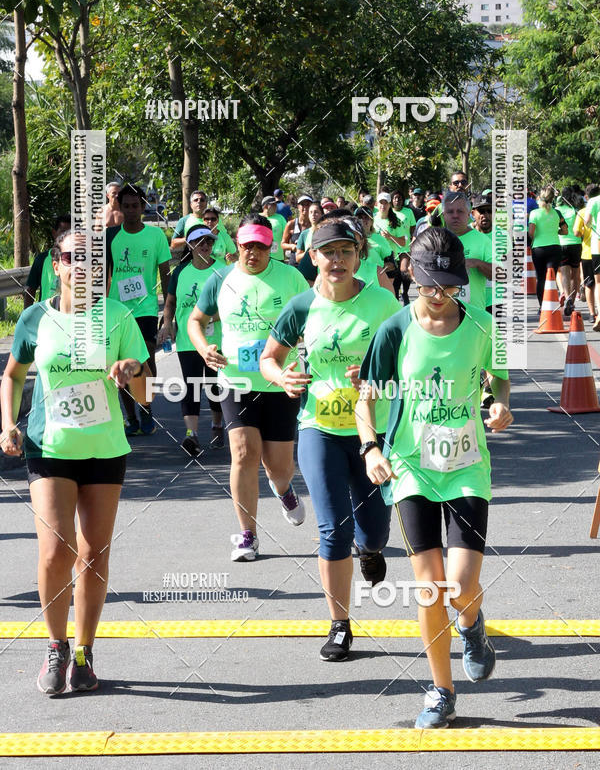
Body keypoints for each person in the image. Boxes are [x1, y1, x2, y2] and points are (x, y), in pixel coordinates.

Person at [356, 226, 512, 728]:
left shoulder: (484, 326)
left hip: (467, 467)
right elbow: (367, 400)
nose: (440, 296)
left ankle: (472, 624)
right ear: (412, 277)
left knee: (462, 585)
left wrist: (502, 404)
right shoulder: (394, 331)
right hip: (411, 468)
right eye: (429, 286)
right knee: (429, 587)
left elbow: (500, 376)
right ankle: (440, 690)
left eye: (449, 286)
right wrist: (371, 447)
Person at [0, 229, 149, 695]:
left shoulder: (118, 317)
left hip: (105, 450)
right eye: (71, 258)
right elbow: (13, 374)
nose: (81, 266)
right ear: (57, 266)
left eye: (91, 259)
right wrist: (8, 423)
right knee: (54, 550)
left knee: (93, 553)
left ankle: (83, 652)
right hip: (49, 447)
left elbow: (143, 394)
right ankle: (55, 645)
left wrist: (132, 372)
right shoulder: (34, 318)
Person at [260, 216, 399, 660]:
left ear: (359, 255)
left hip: (372, 430)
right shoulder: (302, 306)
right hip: (318, 427)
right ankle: (340, 624)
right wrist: (282, 377)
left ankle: (370, 548)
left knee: (375, 529)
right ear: (312, 256)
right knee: (331, 528)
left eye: (345, 251)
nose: (337, 260)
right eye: (327, 252)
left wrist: (380, 376)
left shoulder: (383, 302)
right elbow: (269, 357)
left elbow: (408, 355)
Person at [187, 213, 309, 561]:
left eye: (260, 246)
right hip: (235, 381)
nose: (252, 253)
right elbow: (195, 319)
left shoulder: (291, 278)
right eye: (246, 246)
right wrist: (203, 348)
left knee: (279, 468)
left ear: (270, 246)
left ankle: (284, 490)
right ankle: (247, 535)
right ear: (236, 246)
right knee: (242, 453)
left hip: (281, 382)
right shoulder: (220, 280)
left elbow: (316, 316)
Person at [106, 184, 171, 435]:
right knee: (120, 363)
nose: (131, 211)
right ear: (119, 207)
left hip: (144, 308)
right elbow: (102, 276)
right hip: (116, 310)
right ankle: (131, 418)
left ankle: (146, 410)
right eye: (126, 206)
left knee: (144, 360)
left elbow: (165, 275)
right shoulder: (110, 236)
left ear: (144, 207)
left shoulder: (155, 237)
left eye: (136, 206)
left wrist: (168, 312)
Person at [159, 219, 226, 456]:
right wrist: (167, 324)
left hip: (218, 339)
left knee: (214, 386)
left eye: (208, 241)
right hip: (188, 340)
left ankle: (217, 424)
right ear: (190, 244)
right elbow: (170, 302)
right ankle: (192, 435)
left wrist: (211, 317)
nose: (205, 245)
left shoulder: (222, 271)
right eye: (199, 241)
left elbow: (232, 304)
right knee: (191, 386)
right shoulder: (180, 272)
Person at [442, 191, 492, 312]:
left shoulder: (482, 240)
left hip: (474, 314)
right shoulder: (434, 239)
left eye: (460, 211)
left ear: (469, 214)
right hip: (443, 314)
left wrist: (476, 263)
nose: (455, 215)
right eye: (450, 212)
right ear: (443, 215)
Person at [528, 186, 567, 307]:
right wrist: (555, 232)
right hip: (555, 248)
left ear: (540, 198)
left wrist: (536, 239)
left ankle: (542, 306)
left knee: (541, 278)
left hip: (539, 248)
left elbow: (531, 233)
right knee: (551, 277)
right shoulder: (557, 212)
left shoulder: (534, 213)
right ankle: (553, 304)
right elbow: (565, 231)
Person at [24, 215, 71, 308]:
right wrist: (26, 314)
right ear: (54, 233)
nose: (66, 236)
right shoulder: (42, 259)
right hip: (45, 313)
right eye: (63, 232)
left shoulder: (80, 259)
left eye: (70, 233)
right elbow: (31, 289)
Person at [353, 207, 395, 293]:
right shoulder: (349, 238)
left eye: (366, 217)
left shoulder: (380, 239)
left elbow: (392, 266)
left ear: (372, 221)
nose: (363, 220)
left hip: (375, 285)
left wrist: (385, 281)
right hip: (353, 284)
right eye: (360, 217)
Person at [574, 184, 600, 324]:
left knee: (590, 284)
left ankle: (592, 313)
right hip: (595, 251)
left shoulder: (583, 212)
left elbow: (577, 232)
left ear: (587, 196)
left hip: (588, 252)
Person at [556, 187, 583, 318]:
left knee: (565, 274)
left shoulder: (558, 210)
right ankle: (572, 300)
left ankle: (567, 298)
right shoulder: (575, 210)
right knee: (576, 274)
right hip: (576, 244)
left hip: (562, 244)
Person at [582, 183, 600, 331]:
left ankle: (598, 314)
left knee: (598, 282)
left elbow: (586, 222)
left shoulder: (593, 201)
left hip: (597, 245)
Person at [281, 195, 312, 266]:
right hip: (294, 264)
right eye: (302, 204)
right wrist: (292, 246)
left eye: (308, 204)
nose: (305, 207)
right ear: (298, 207)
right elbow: (283, 244)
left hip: (311, 264)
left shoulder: (315, 225)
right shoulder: (291, 224)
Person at [260, 196, 287, 262]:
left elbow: (287, 235)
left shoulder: (280, 218)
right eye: (273, 204)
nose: (276, 206)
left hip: (278, 257)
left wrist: (285, 252)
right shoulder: (258, 217)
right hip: (261, 256)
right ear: (265, 206)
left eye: (276, 204)